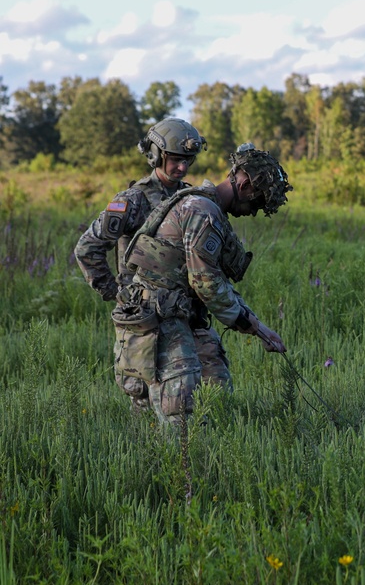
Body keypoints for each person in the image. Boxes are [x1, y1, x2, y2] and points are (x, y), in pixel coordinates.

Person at [113, 145, 292, 427]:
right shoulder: (202, 211)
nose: (253, 212)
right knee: (181, 410)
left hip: (181, 311)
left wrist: (257, 326)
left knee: (216, 386)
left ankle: (209, 461)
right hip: (159, 316)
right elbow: (205, 283)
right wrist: (253, 326)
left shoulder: (207, 209)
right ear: (243, 184)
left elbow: (213, 281)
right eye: (256, 203)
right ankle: (179, 466)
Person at [75, 117, 207, 411]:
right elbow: (87, 247)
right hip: (146, 318)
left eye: (188, 160)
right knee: (146, 400)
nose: (182, 167)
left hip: (186, 312)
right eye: (175, 159)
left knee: (206, 394)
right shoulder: (133, 200)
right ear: (156, 155)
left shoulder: (193, 198)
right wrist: (115, 292)